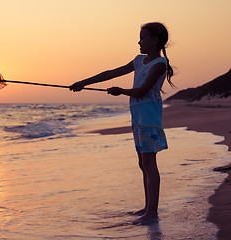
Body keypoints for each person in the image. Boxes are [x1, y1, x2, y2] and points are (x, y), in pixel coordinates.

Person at [69, 22, 174, 225]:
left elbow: (142, 90)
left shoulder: (160, 64)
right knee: (142, 164)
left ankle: (152, 212)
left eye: (143, 38)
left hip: (149, 119)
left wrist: (121, 91)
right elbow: (110, 73)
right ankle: (147, 208)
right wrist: (83, 83)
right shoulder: (138, 60)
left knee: (150, 165)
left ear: (155, 40)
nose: (139, 41)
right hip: (137, 118)